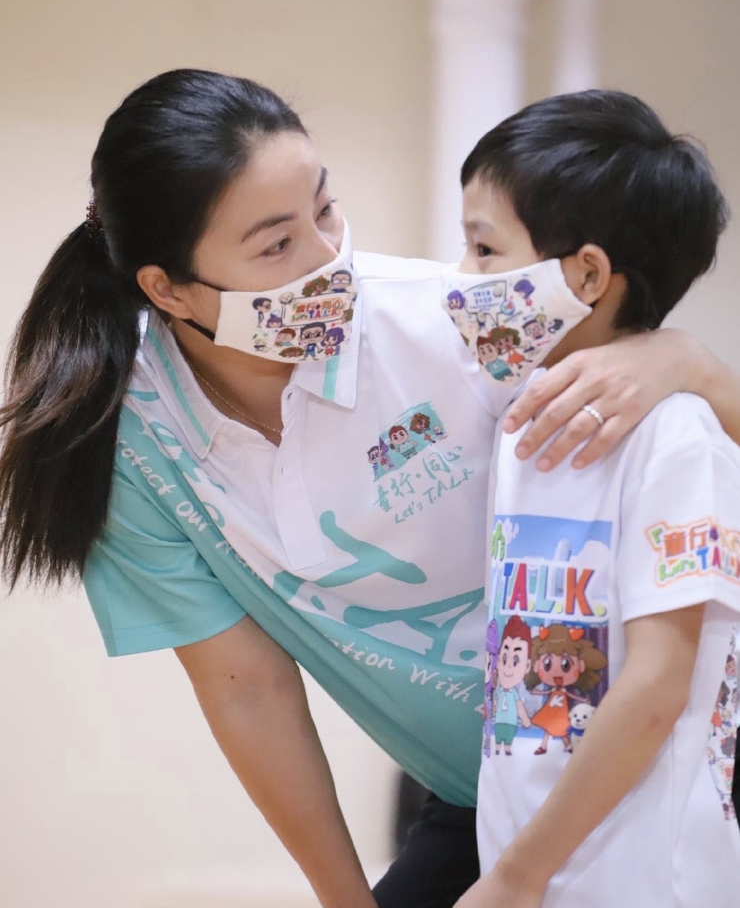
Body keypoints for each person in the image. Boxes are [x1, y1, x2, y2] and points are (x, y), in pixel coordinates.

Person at [1, 71, 740, 908]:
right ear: (167, 288)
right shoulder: (129, 439)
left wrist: (691, 364)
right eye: (276, 246)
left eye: (325, 209)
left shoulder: (458, 321)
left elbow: (668, 626)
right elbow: (249, 687)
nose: (329, 262)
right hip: (492, 801)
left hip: (662, 789)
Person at [443, 90, 740, 908]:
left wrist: (514, 876)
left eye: (483, 249)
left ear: (586, 274)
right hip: (541, 871)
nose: (461, 280)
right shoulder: (521, 424)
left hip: (644, 881)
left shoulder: (678, 437)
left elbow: (656, 689)